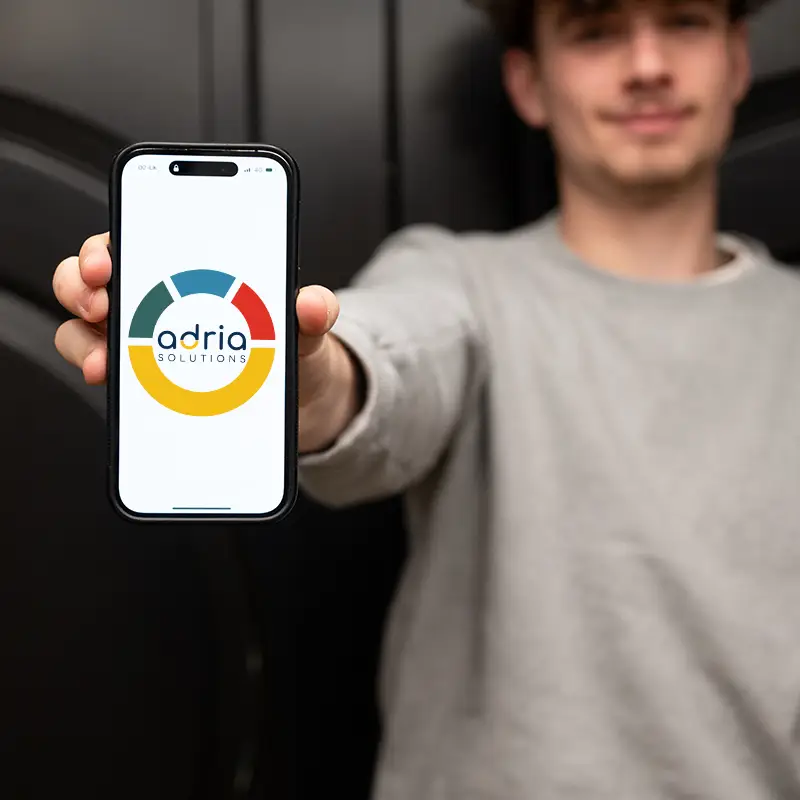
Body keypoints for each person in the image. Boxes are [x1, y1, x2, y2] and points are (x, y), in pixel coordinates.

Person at [52, 0, 800, 797]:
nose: (647, 66)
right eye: (595, 31)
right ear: (529, 83)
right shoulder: (460, 284)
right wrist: (303, 375)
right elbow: (390, 359)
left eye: (683, 21)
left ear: (737, 60)